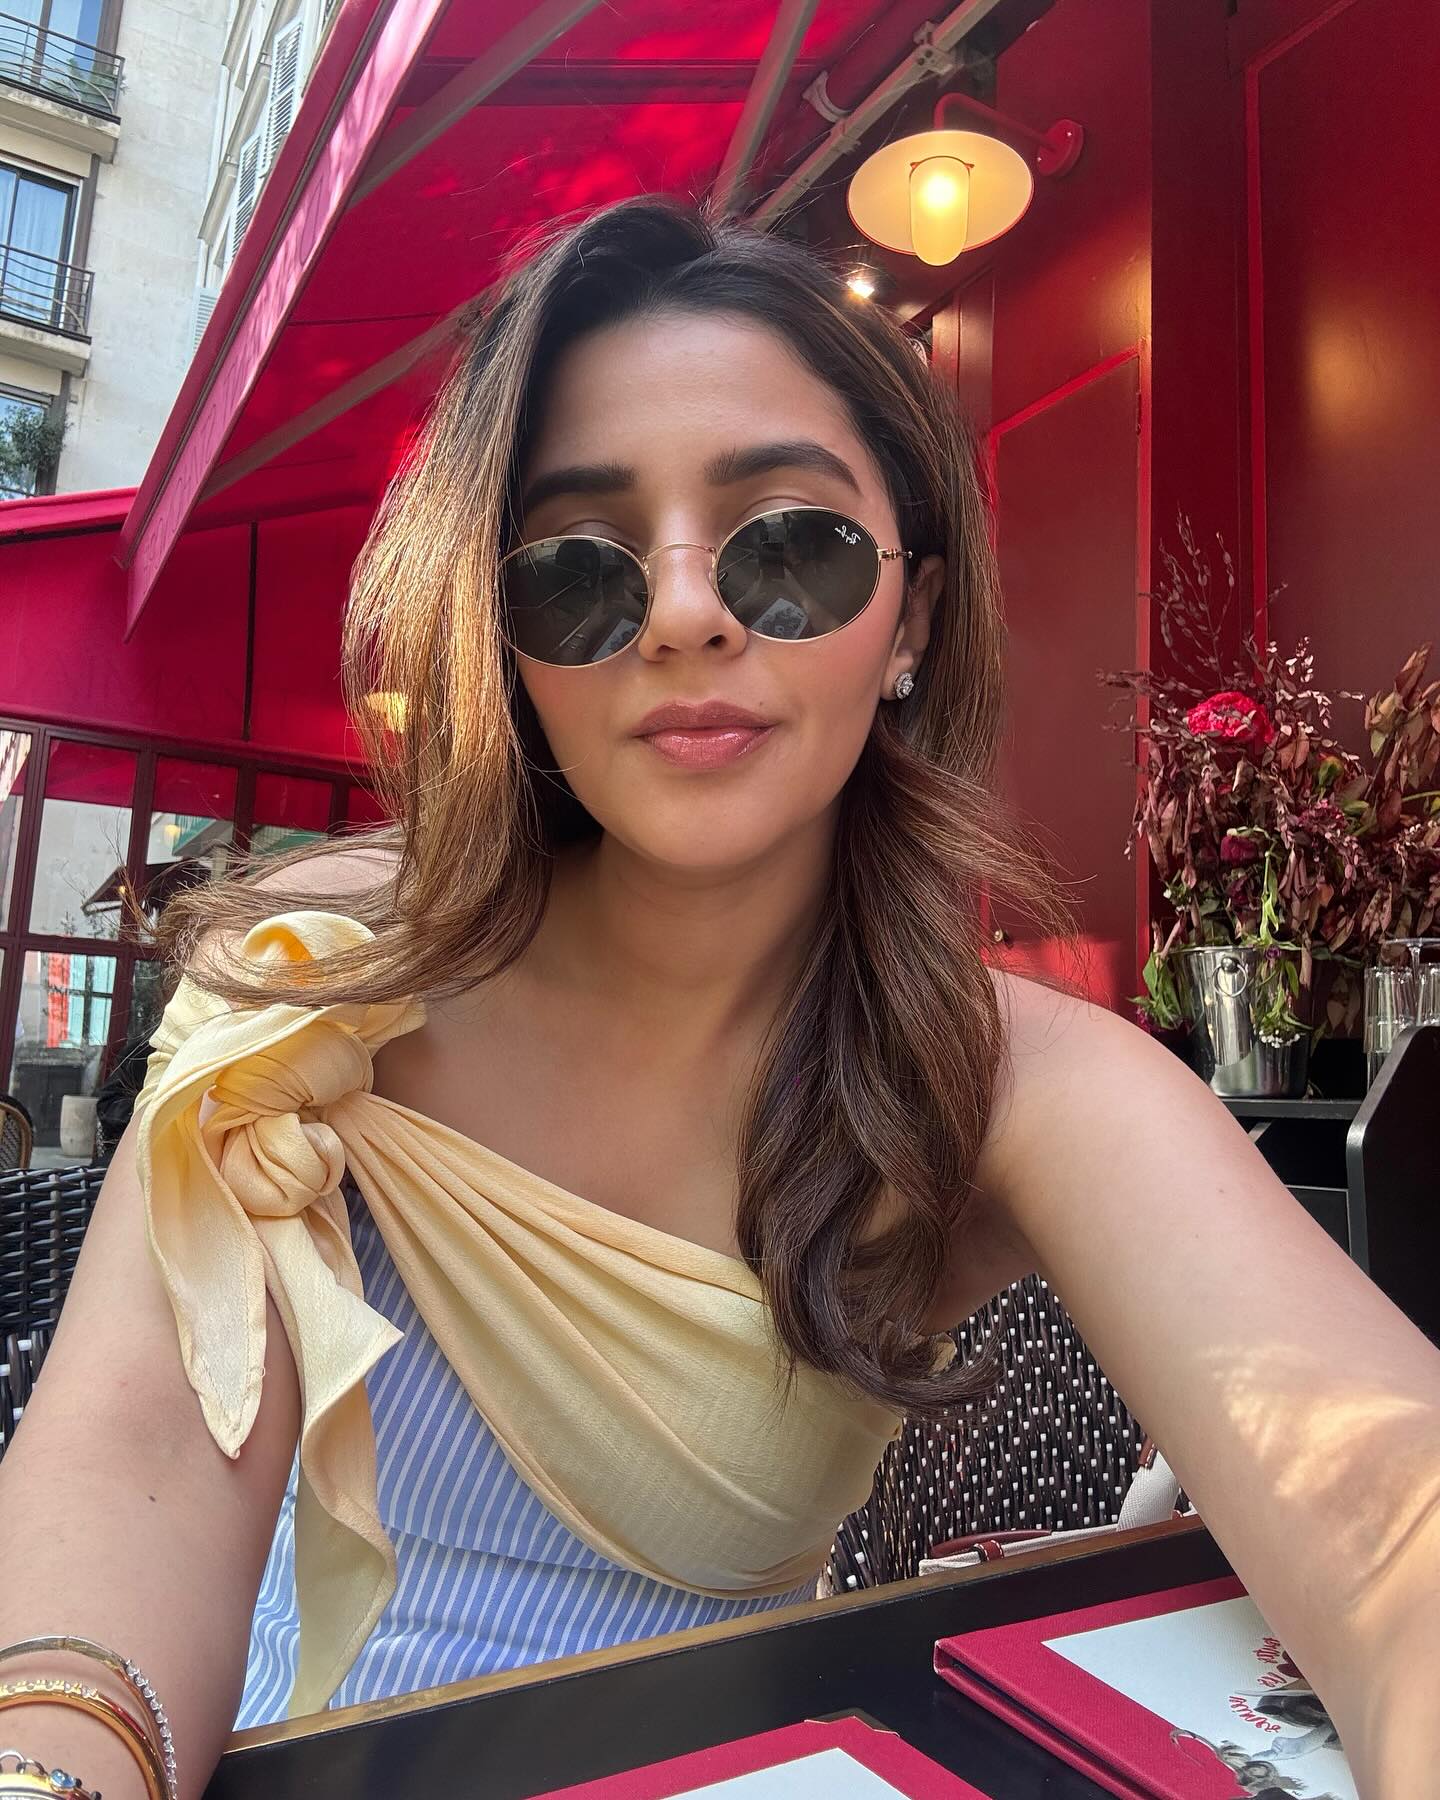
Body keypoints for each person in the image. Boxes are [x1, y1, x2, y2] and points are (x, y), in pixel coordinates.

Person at [0, 194, 1436, 1800]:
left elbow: (1388, 1506)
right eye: (579, 568)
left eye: (789, 543)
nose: (686, 610)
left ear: (915, 617)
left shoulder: (1009, 1081)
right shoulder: (328, 971)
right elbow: (130, 1492)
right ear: (509, 641)